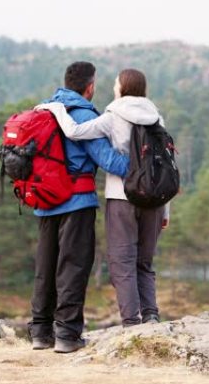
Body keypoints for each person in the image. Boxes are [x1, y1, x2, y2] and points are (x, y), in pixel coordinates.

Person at [39, 68, 169, 327]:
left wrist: (56, 110)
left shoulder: (113, 115)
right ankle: (151, 315)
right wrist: (165, 210)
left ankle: (132, 322)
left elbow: (74, 132)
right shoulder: (157, 119)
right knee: (144, 262)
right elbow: (164, 166)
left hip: (122, 198)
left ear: (121, 88)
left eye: (115, 84)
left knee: (122, 263)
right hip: (155, 201)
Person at [29, 62, 130, 353]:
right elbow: (109, 161)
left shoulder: (45, 111)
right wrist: (141, 167)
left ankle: (40, 332)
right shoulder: (84, 114)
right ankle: (68, 335)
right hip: (77, 201)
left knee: (45, 267)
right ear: (90, 86)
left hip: (45, 202)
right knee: (73, 266)